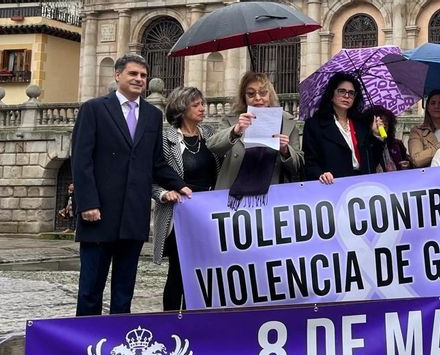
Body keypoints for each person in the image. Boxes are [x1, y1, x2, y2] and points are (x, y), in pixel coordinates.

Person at [71, 54, 190, 316]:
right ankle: (86, 345)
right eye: (133, 74)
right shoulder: (94, 109)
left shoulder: (151, 115)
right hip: (98, 214)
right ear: (117, 76)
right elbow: (81, 161)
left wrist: (180, 185)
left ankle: (118, 342)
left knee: (124, 290)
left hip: (133, 216)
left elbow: (156, 163)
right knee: (91, 288)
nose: (139, 79)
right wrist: (88, 203)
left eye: (143, 76)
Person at [151, 86, 221, 311]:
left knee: (203, 273)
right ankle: (171, 320)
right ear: (181, 108)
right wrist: (163, 193)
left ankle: (195, 319)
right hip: (178, 214)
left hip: (207, 215)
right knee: (179, 271)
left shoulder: (209, 134)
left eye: (203, 103)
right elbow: (153, 176)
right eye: (196, 104)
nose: (203, 108)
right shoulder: (165, 138)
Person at [208, 72, 303, 207]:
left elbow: (298, 166)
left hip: (273, 197)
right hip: (234, 197)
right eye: (251, 94)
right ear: (244, 97)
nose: (258, 98)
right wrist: (236, 130)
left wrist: (285, 150)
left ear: (270, 95)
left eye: (263, 93)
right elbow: (213, 147)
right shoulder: (233, 120)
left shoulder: (287, 122)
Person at [302, 72, 374, 183]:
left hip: (363, 183)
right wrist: (320, 174)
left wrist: (377, 137)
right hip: (333, 184)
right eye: (342, 91)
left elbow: (373, 159)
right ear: (331, 94)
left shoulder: (361, 124)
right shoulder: (314, 125)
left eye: (351, 93)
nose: (346, 96)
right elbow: (310, 162)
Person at [408, 89, 440, 168]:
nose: (436, 106)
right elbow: (417, 160)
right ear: (428, 108)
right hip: (427, 177)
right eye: (433, 103)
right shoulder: (417, 131)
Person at [365, 105, 412, 172]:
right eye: (379, 121)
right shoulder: (365, 146)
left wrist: (407, 165)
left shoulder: (397, 144)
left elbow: (407, 162)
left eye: (386, 121)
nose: (383, 124)